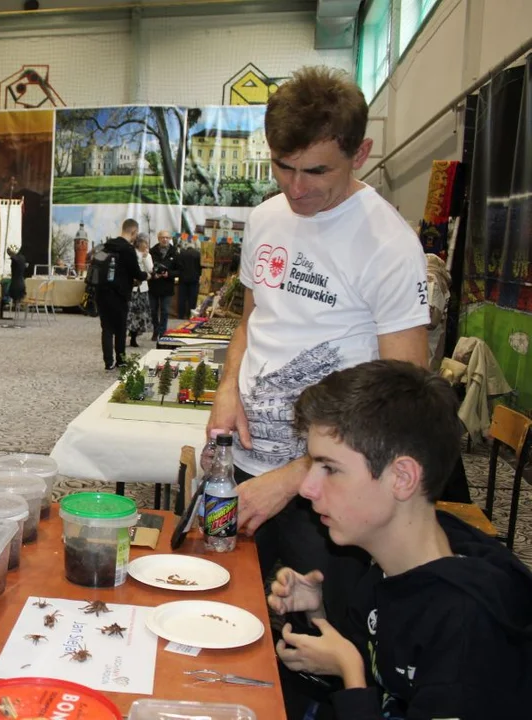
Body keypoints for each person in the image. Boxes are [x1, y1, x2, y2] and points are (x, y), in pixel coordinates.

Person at [205, 66, 430, 594]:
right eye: (283, 167)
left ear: (361, 153)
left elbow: (404, 395)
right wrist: (226, 387)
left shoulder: (388, 245)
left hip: (330, 493)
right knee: (239, 605)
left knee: (312, 637)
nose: (296, 188)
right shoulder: (265, 219)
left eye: (316, 171)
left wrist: (293, 478)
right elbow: (252, 320)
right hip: (246, 465)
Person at [270, 360, 532, 720]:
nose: (306, 487)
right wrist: (318, 616)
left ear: (403, 478)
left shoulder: (468, 627)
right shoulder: (391, 564)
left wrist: (350, 670)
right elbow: (390, 674)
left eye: (330, 468)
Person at [95, 219, 148, 370]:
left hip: (102, 292)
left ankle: (108, 362)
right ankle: (121, 359)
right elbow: (136, 272)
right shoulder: (128, 249)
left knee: (106, 328)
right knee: (120, 328)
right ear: (134, 232)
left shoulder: (106, 246)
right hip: (119, 294)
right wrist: (147, 276)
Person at [149, 229, 177, 338]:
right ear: (158, 238)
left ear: (170, 239)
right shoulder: (152, 251)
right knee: (153, 310)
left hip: (167, 286)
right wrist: (153, 274)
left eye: (167, 237)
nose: (164, 239)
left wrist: (169, 274)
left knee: (165, 311)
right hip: (154, 285)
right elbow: (148, 267)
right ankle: (156, 329)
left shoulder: (175, 252)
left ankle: (162, 331)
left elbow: (179, 270)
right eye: (162, 237)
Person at [128, 236, 154, 347]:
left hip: (142, 288)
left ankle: (134, 337)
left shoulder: (148, 255)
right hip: (131, 288)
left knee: (139, 314)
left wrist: (145, 257)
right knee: (129, 313)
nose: (146, 246)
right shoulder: (131, 253)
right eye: (145, 243)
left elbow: (150, 269)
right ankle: (122, 335)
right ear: (139, 244)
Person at [175, 238, 202, 320]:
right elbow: (200, 267)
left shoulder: (181, 254)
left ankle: (180, 315)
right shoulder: (198, 254)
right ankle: (190, 315)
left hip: (183, 279)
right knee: (192, 298)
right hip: (194, 279)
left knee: (182, 298)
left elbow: (178, 266)